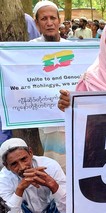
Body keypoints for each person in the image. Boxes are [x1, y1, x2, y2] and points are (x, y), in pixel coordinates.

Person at [30, 0, 69, 172]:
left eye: (53, 18)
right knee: (53, 163)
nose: (49, 22)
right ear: (37, 23)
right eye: (44, 18)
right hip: (47, 119)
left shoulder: (73, 49)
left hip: (70, 115)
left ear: (59, 21)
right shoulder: (28, 49)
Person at [0, 138, 66, 213]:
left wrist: (52, 185)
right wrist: (20, 189)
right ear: (7, 166)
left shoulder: (50, 165)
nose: (22, 167)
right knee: (13, 204)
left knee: (60, 197)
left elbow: (69, 207)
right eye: (14, 164)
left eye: (24, 159)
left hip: (52, 211)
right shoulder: (3, 179)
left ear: (30, 153)